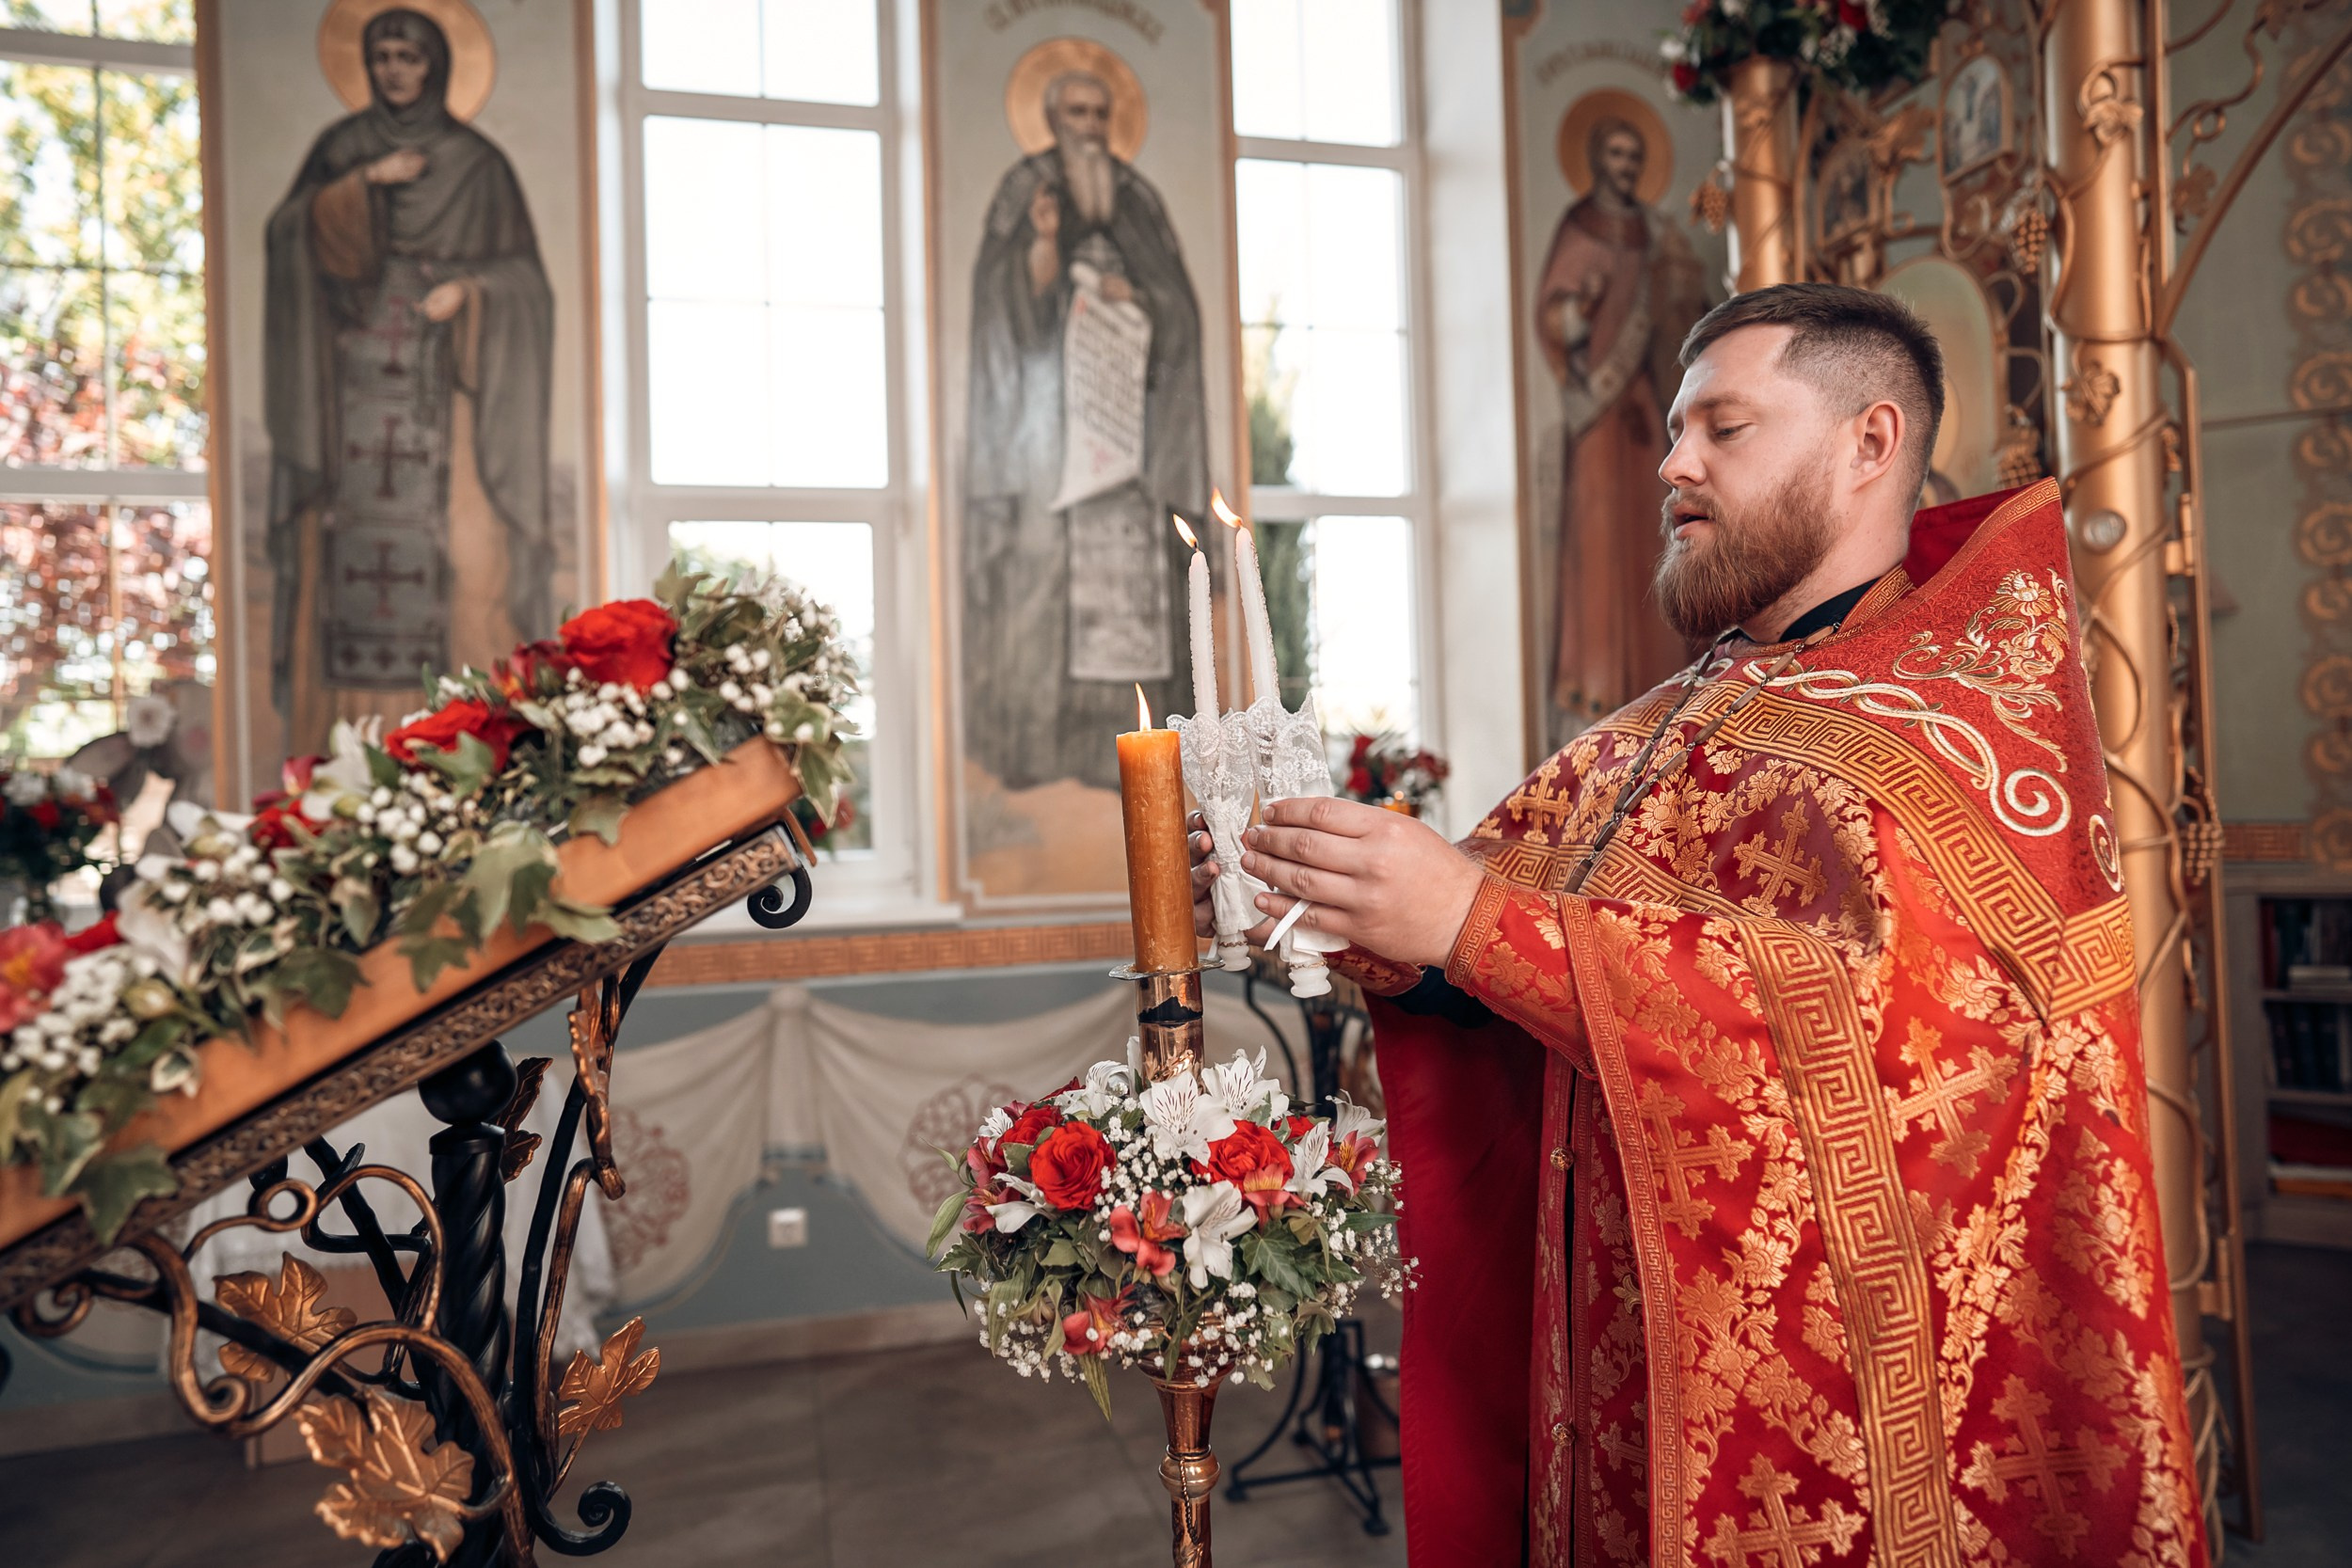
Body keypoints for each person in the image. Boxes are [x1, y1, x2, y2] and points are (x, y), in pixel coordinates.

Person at [1191, 283, 2204, 1566]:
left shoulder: (1962, 731)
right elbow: (1492, 946)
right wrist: (1330, 895)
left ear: (1871, 441)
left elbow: (1905, 1041)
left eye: (1724, 427)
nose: (1672, 463)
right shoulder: (1667, 722)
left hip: (1832, 1428)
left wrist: (1473, 918)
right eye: (1675, 431)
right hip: (1608, 1374)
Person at [264, 7, 553, 751]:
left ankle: (473, 753)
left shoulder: (479, 166)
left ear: (437, 65)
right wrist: (362, 184)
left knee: (473, 558)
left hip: (445, 396)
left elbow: (527, 283)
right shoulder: (341, 150)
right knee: (338, 561)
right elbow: (288, 236)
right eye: (383, 56)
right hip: (347, 399)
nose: (395, 70)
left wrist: (471, 291)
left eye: (409, 57)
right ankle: (346, 759)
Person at [964, 70, 1207, 793]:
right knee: (1046, 586)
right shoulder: (1025, 192)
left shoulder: (1137, 199)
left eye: (1102, 113)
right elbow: (1003, 309)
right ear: (1052, 118)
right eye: (1078, 112)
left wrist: (1142, 297)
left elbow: (1180, 310)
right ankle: (1045, 747)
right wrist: (1043, 251)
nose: (1092, 127)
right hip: (1053, 444)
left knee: (1134, 588)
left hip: (1132, 442)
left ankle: (1132, 753)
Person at [1534, 115, 1709, 736]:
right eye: (1616, 152)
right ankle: (1601, 701)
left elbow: (1686, 312)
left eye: (1635, 155)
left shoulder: (1659, 234)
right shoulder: (1578, 225)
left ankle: (1665, 693)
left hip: (1648, 407)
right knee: (1602, 549)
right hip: (1598, 421)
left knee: (1654, 537)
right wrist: (1576, 310)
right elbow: (1553, 315)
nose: (1627, 166)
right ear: (1594, 158)